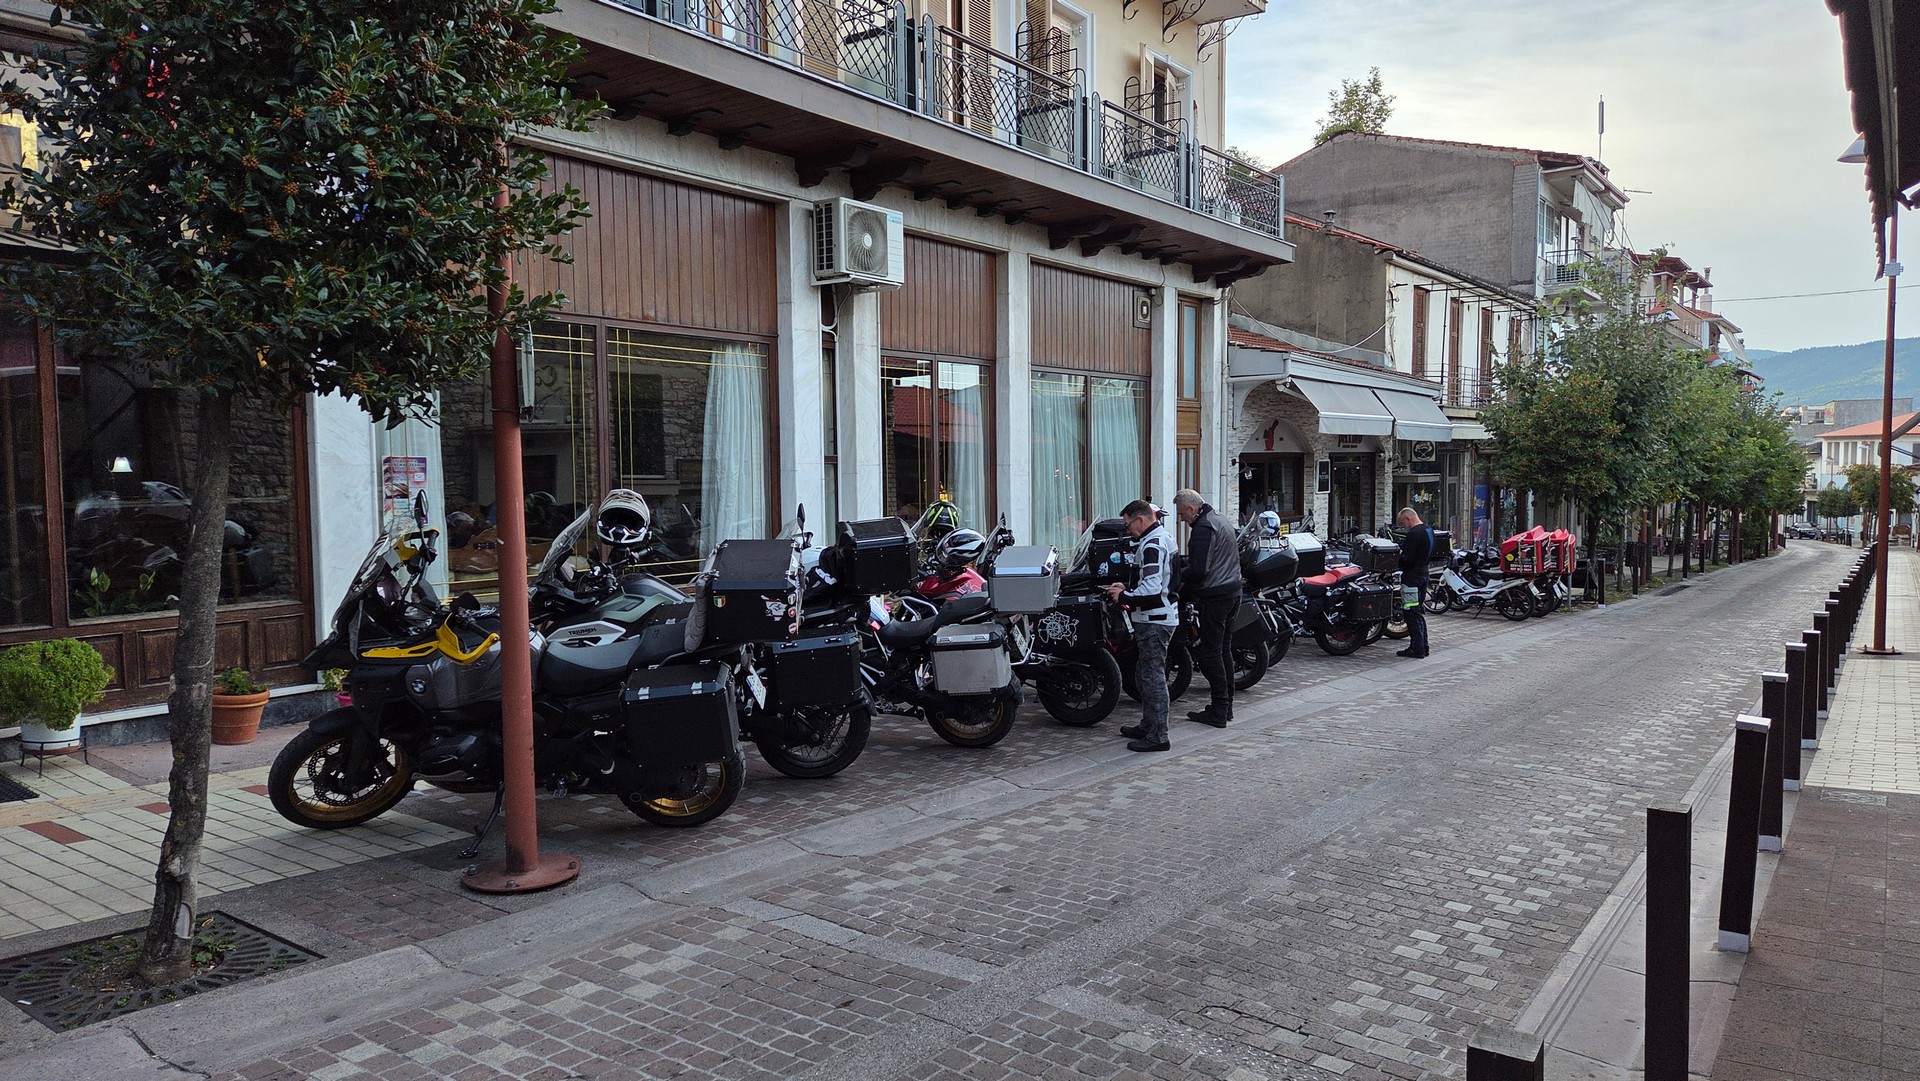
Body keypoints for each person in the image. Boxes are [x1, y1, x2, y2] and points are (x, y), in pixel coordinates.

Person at [1104, 499, 1177, 752]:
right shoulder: (1161, 538)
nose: (1127, 531)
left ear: (1141, 519)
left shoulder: (1152, 544)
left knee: (1152, 677)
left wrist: (1124, 596)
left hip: (1154, 618)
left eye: (1128, 525)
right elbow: (1157, 581)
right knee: (1146, 674)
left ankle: (1158, 735)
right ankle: (1149, 725)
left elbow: (1153, 588)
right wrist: (1128, 588)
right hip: (1158, 616)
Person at [1173, 488, 1238, 728]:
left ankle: (1219, 709)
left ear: (1192, 508)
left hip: (1216, 595)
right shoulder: (1219, 518)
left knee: (1210, 654)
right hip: (1232, 591)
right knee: (1223, 650)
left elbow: (1199, 570)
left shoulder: (1202, 528)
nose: (1181, 519)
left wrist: (1177, 578)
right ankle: (1225, 707)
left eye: (1182, 514)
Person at [1395, 507, 1434, 659]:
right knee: (1418, 611)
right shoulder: (1428, 530)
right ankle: (1424, 646)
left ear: (1408, 518)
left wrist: (1398, 557)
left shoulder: (1414, 534)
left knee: (1411, 612)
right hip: (1424, 574)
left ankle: (1416, 648)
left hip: (1412, 578)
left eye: (1402, 523)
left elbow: (1407, 558)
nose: (1404, 527)